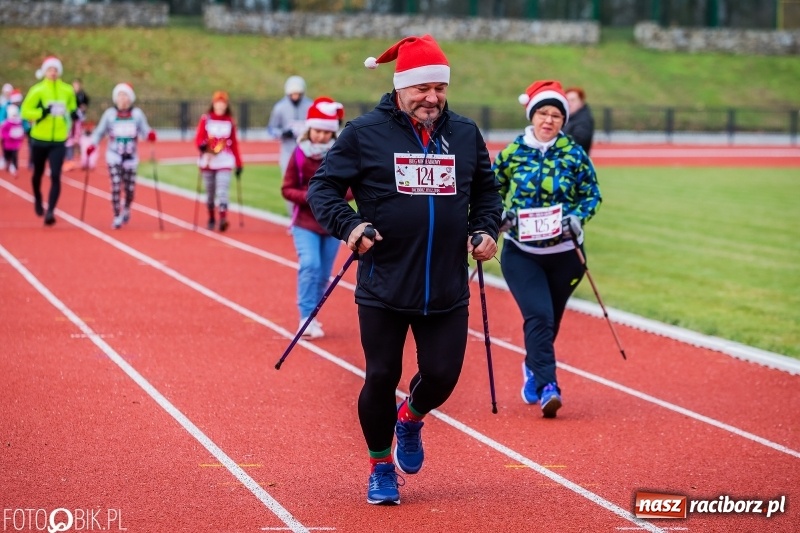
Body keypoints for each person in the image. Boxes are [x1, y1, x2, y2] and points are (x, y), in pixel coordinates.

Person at [307, 35, 502, 506]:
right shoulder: (364, 132)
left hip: (447, 286)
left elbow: (487, 193)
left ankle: (410, 418)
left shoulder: (465, 133)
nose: (431, 97)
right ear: (400, 87)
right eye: (421, 88)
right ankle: (380, 468)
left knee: (441, 376)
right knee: (380, 376)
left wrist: (485, 228)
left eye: (439, 87)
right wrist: (350, 226)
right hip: (385, 285)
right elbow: (324, 189)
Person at [493, 80, 601, 419]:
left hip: (566, 255)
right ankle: (549, 386)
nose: (549, 120)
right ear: (532, 115)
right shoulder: (512, 153)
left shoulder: (574, 154)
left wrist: (577, 218)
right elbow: (491, 191)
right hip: (522, 253)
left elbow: (592, 194)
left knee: (548, 321)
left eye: (556, 115)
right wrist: (500, 217)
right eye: (543, 113)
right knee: (538, 315)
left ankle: (532, 366)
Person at [281, 96, 347, 339]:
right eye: (317, 130)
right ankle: (305, 317)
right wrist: (310, 196)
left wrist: (331, 197)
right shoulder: (299, 154)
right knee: (310, 265)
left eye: (325, 132)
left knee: (323, 274)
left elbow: (351, 188)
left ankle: (313, 316)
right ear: (310, 129)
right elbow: (286, 188)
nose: (320, 136)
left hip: (331, 224)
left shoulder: (339, 156)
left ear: (332, 134)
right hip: (304, 223)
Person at [87, 83, 157, 229]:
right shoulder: (109, 115)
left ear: (130, 98)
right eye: (120, 95)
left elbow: (145, 131)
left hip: (131, 157)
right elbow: (100, 132)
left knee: (130, 190)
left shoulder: (137, 114)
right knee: (116, 186)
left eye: (125, 95)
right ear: (115, 98)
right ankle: (116, 215)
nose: (122, 99)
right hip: (114, 156)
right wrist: (92, 144)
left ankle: (126, 209)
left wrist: (150, 135)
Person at [19, 56, 78, 225]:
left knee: (55, 175)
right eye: (50, 69)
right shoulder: (37, 90)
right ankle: (38, 197)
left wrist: (74, 113)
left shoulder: (67, 90)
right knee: (37, 174)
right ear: (45, 71)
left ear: (59, 71)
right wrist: (40, 113)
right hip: (39, 138)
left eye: (55, 69)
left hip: (58, 139)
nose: (53, 72)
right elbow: (25, 111)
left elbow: (72, 107)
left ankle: (50, 211)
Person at [194, 91, 243, 231]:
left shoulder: (229, 121)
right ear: (214, 104)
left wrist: (239, 163)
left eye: (223, 103)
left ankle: (223, 218)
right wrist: (201, 146)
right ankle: (211, 217)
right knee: (210, 193)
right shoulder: (206, 119)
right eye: (218, 103)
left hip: (224, 161)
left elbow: (234, 143)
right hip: (209, 161)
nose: (220, 106)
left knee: (222, 191)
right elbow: (199, 138)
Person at [268, 76, 312, 215]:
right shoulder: (280, 108)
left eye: (298, 94)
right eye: (293, 94)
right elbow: (271, 129)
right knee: (290, 185)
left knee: (309, 184)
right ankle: (293, 217)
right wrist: (282, 133)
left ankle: (309, 216)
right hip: (288, 152)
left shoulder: (310, 106)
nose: (295, 97)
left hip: (308, 151)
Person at [562, 86, 595, 155]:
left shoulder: (584, 120)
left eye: (573, 100)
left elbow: (579, 141)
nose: (569, 104)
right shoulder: (569, 118)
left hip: (575, 160)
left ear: (581, 102)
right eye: (567, 100)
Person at [1, 104, 24, 177]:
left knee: (14, 156)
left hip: (15, 144)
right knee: (8, 155)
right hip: (8, 144)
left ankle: (14, 168)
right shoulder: (7, 123)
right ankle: (7, 163)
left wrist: (20, 137)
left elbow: (21, 132)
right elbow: (3, 132)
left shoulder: (18, 123)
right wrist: (9, 135)